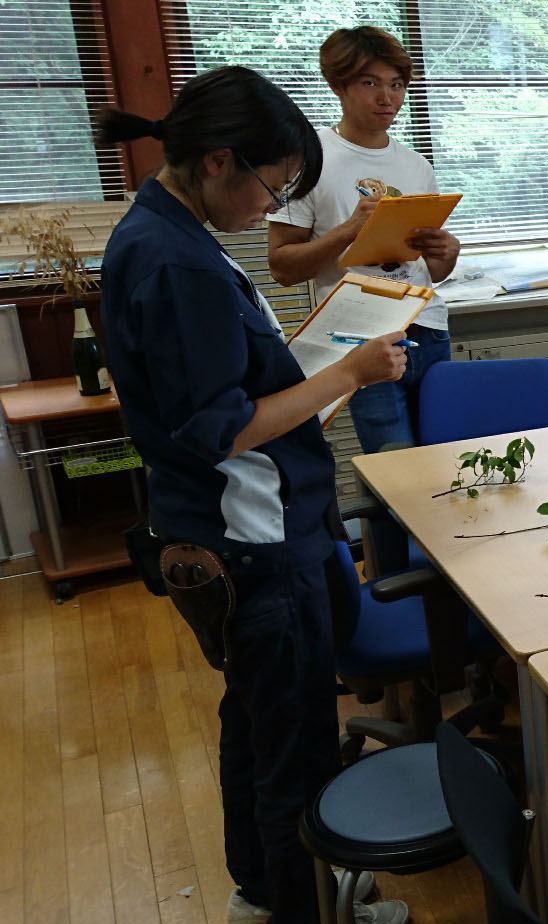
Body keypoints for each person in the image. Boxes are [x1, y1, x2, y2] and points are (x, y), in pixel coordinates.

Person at [95, 67, 409, 924]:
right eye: (272, 187)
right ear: (219, 162)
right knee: (295, 743)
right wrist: (345, 370)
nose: (268, 209)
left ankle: (265, 892)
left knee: (258, 725)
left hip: (236, 529)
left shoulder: (166, 233)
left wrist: (310, 367)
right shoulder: (173, 263)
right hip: (255, 542)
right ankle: (306, 906)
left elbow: (217, 388)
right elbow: (217, 427)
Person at [268, 26, 459, 453]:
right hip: (360, 337)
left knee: (447, 462)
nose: (386, 98)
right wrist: (348, 230)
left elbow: (430, 273)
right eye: (370, 83)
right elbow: (281, 266)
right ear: (338, 86)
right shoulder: (309, 159)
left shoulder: (415, 164)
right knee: (395, 469)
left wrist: (448, 253)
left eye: (396, 85)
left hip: (427, 330)